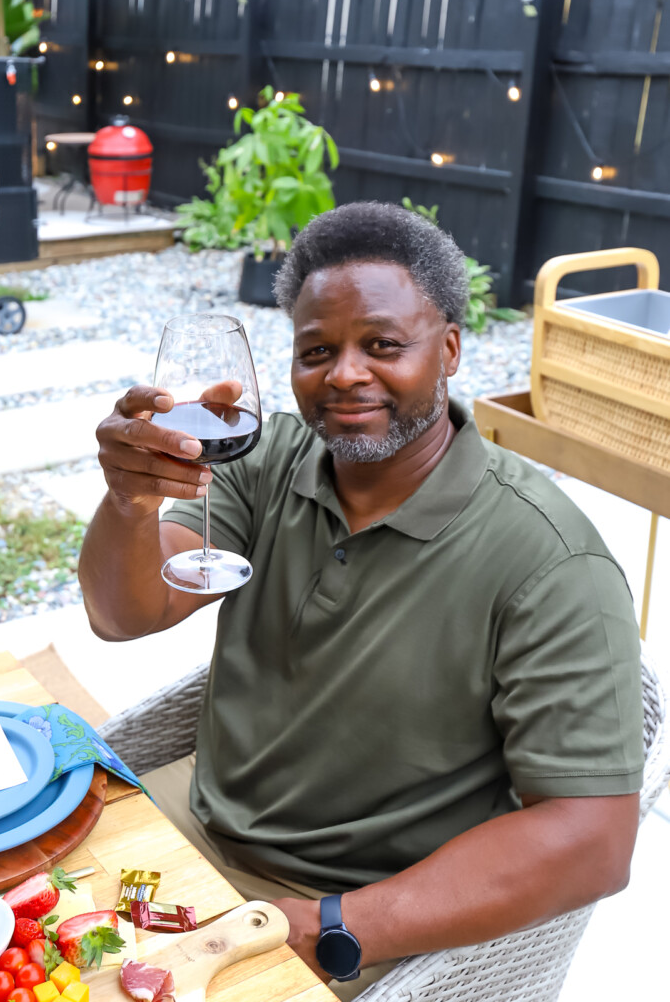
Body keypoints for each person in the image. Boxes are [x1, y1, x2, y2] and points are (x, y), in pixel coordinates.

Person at [78, 202, 643, 1000]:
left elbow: (592, 839)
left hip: (353, 909)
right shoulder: (268, 458)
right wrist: (130, 505)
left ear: (448, 347)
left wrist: (338, 926)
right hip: (188, 829)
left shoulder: (550, 561)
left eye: (382, 345)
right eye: (317, 350)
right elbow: (123, 613)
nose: (344, 373)